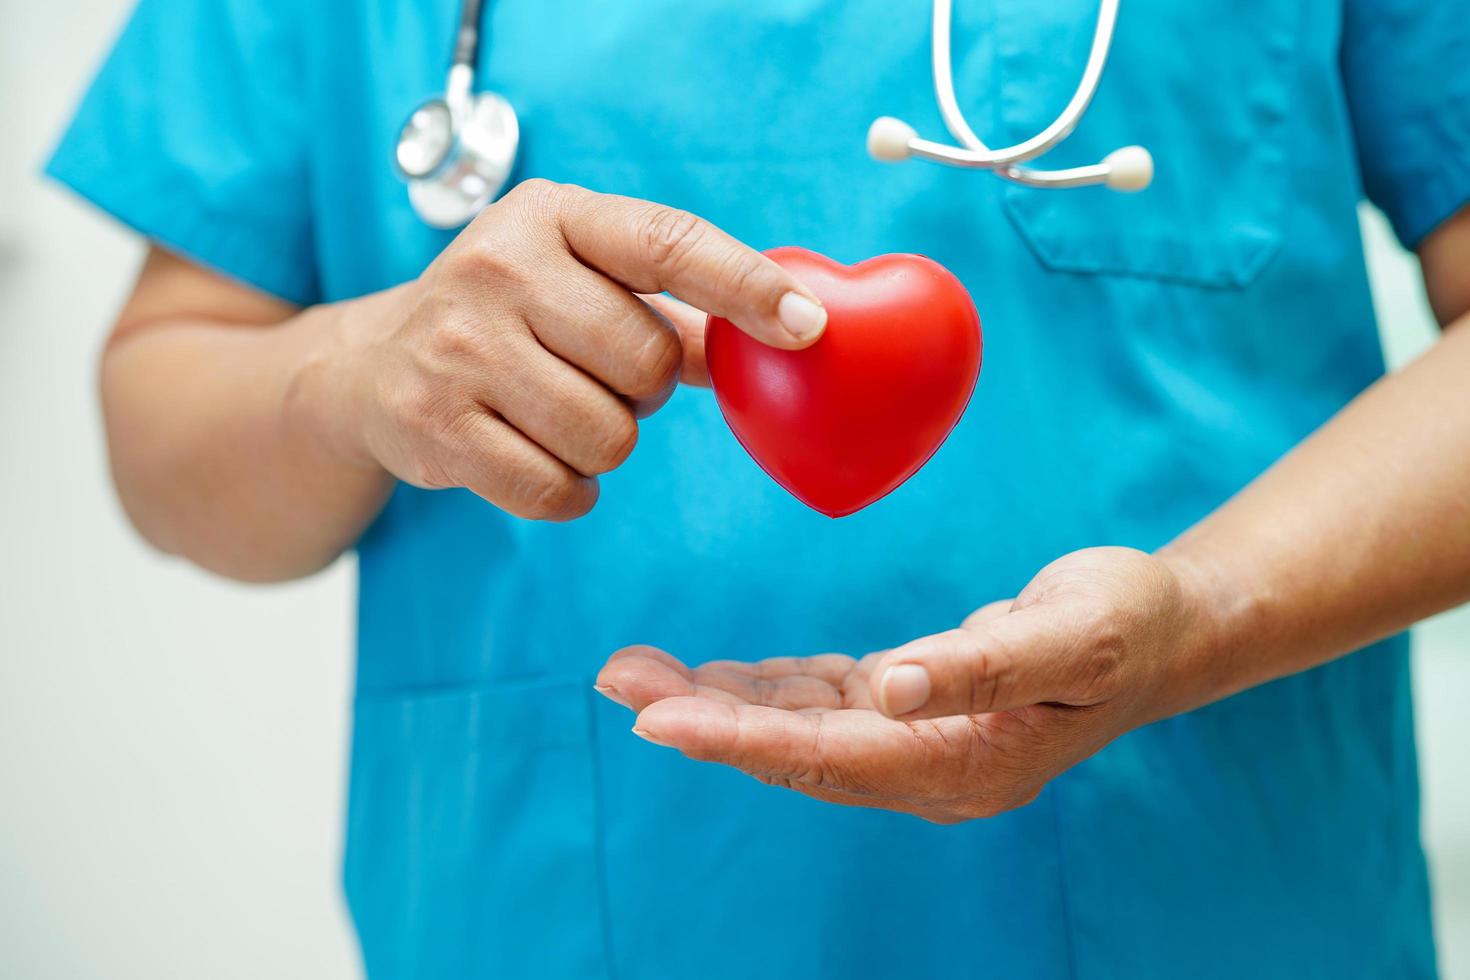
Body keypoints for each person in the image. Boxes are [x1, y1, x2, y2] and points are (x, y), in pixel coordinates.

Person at [48, 0, 1470, 976]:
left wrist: (1203, 613)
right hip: (547, 922)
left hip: (1214, 908)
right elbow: (166, 422)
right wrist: (353, 372)